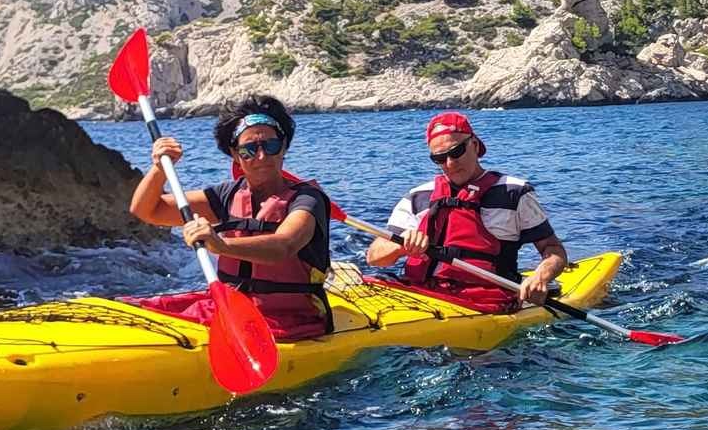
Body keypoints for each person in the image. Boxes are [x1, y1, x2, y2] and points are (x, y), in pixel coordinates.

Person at [128, 94, 334, 341]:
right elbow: (148, 211)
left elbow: (284, 246)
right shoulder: (228, 195)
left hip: (291, 320)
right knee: (133, 310)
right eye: (249, 150)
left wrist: (221, 245)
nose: (261, 157)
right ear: (235, 155)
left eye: (270, 146)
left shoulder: (308, 199)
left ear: (284, 147)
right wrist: (159, 169)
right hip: (230, 309)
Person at [365, 111, 567, 311]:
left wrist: (540, 276)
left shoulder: (514, 192)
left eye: (456, 152)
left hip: (483, 301)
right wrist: (400, 245)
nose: (450, 163)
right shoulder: (417, 196)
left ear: (475, 145)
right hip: (417, 295)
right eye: (439, 158)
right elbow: (374, 257)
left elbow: (554, 250)